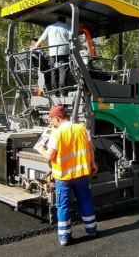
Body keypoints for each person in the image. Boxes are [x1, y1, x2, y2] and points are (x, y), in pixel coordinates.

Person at [36, 105, 97, 246]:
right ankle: (92, 230)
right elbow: (90, 149)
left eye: (52, 120)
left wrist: (41, 149)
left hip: (63, 177)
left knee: (63, 205)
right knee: (85, 201)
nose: (51, 123)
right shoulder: (82, 129)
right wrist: (92, 165)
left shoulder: (56, 134)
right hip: (81, 174)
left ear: (57, 118)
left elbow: (50, 156)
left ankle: (64, 237)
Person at [34, 16, 71, 97]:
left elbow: (42, 39)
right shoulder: (68, 27)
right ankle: (64, 93)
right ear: (64, 21)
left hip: (52, 54)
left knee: (54, 73)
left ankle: (55, 93)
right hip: (63, 54)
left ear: (57, 21)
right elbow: (72, 39)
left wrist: (34, 47)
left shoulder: (50, 27)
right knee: (63, 73)